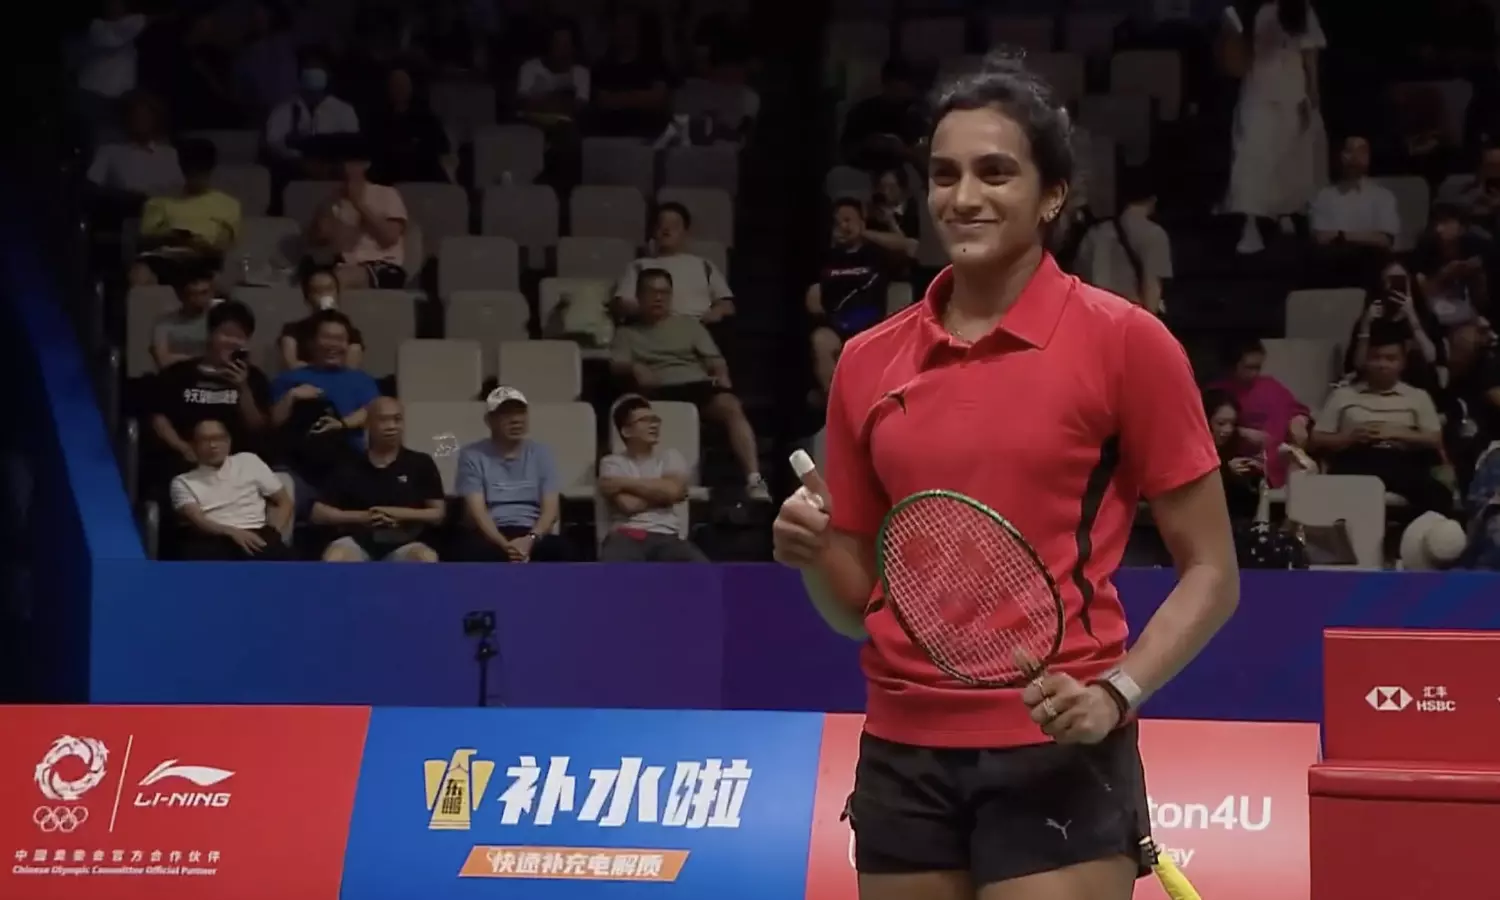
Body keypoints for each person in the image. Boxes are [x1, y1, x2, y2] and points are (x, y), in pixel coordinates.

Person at [771, 53, 1238, 900]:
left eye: (995, 173)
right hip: (902, 753)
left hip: (1056, 746)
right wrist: (809, 555)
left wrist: (1117, 693)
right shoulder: (868, 362)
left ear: (1052, 194)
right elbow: (858, 605)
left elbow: (1212, 571)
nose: (964, 197)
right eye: (944, 175)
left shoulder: (1126, 343)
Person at [611, 268, 768, 500]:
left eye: (665, 292)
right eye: (652, 292)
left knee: (730, 404)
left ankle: (754, 479)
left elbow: (715, 361)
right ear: (639, 296)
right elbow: (616, 365)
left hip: (695, 385)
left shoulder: (690, 326)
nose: (659, 298)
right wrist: (634, 367)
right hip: (655, 391)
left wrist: (721, 375)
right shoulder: (626, 333)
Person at [1311, 329, 1455, 518]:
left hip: (1402, 459)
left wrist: (1395, 432)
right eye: (1375, 358)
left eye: (1390, 358)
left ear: (1402, 362)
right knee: (1337, 488)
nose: (1382, 364)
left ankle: (1411, 534)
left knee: (1438, 496)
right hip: (1355, 457)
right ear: (1366, 361)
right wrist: (1347, 438)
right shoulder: (1343, 395)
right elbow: (1317, 438)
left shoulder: (1418, 396)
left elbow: (1434, 438)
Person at [1223, 0, 1327, 254]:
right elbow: (1235, 59)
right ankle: (1251, 224)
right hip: (1257, 91)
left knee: (1291, 158)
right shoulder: (1246, 10)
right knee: (1252, 157)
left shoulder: (1299, 7)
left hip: (1292, 91)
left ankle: (1286, 212)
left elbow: (1309, 52)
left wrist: (1312, 92)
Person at [311, 397, 444, 562]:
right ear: (368, 424)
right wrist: (364, 517)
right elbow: (318, 513)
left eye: (397, 419)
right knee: (335, 556)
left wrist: (396, 514)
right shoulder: (348, 464)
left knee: (426, 558)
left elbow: (438, 514)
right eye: (383, 420)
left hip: (405, 543)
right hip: (358, 542)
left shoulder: (421, 463)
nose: (391, 426)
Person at [450, 387, 573, 562]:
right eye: (506, 414)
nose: (516, 420)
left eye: (521, 413)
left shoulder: (542, 453)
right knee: (467, 551)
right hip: (491, 533)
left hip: (532, 532)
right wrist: (506, 546)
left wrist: (529, 540)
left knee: (563, 551)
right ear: (489, 420)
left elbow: (550, 511)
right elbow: (478, 513)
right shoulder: (472, 455)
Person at [597, 395, 708, 562]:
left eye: (655, 420)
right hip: (626, 535)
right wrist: (666, 495)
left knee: (704, 572)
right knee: (617, 570)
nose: (654, 425)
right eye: (644, 420)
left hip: (668, 537)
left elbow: (672, 491)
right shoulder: (612, 462)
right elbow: (628, 505)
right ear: (626, 431)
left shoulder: (670, 457)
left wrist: (623, 482)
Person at [169, 419, 293, 560]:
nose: (213, 445)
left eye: (218, 438)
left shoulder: (249, 461)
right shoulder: (182, 482)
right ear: (193, 445)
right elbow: (198, 520)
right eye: (205, 440)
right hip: (214, 537)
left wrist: (274, 532)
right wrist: (232, 532)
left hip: (257, 533)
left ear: (228, 441)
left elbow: (284, 500)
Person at [129, 137, 241, 286]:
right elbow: (144, 241)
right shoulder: (159, 202)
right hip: (164, 260)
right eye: (190, 172)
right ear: (182, 169)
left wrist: (198, 245)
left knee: (218, 277)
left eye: (200, 172)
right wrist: (171, 238)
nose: (195, 177)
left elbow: (222, 247)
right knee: (140, 273)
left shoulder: (228, 205)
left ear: (210, 170)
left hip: (203, 261)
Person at [807, 200, 891, 398]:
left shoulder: (877, 254)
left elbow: (911, 247)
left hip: (870, 324)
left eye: (848, 220)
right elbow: (813, 297)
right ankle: (836, 405)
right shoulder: (826, 257)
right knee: (820, 340)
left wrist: (863, 233)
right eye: (838, 222)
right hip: (836, 323)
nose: (842, 226)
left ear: (862, 223)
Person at [307, 134, 410, 290]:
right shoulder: (332, 200)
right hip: (341, 265)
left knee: (337, 279)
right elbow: (317, 238)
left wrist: (358, 203)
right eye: (341, 161)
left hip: (384, 267)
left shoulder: (387, 194)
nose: (344, 166)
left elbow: (389, 237)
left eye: (350, 161)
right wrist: (327, 211)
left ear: (365, 164)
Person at [1207, 338, 1312, 488]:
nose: (1254, 373)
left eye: (1258, 367)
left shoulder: (1271, 386)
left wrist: (1299, 421)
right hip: (1235, 470)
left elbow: (1298, 409)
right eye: (1249, 367)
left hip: (1275, 467)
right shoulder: (1217, 392)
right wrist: (1240, 432)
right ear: (1233, 366)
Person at [1075, 167, 1173, 314]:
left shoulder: (1094, 234)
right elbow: (1151, 294)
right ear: (1153, 199)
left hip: (1095, 315)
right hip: (1129, 318)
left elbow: (1079, 280)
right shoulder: (1154, 235)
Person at [280, 267, 365, 370]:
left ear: (337, 293)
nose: (324, 294)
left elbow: (351, 369)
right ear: (307, 297)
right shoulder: (293, 330)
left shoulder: (350, 332)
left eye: (329, 289)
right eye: (317, 291)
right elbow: (291, 365)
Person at [1204, 389, 1264, 522]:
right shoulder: (1193, 448)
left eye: (1232, 424)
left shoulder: (1235, 443)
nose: (1228, 430)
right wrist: (1226, 470)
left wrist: (1254, 471)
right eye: (1221, 423)